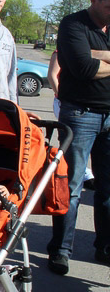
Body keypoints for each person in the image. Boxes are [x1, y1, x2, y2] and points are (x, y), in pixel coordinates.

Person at [46, 0, 110, 275]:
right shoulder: (73, 24)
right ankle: (61, 250)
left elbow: (90, 61)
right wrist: (90, 59)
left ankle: (105, 246)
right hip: (80, 115)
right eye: (109, 6)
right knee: (70, 186)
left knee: (107, 188)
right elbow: (83, 68)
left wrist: (100, 57)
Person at [48, 51, 95, 189]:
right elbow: (52, 75)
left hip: (86, 104)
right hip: (65, 102)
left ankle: (85, 173)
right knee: (74, 139)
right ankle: (79, 174)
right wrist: (62, 97)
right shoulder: (60, 52)